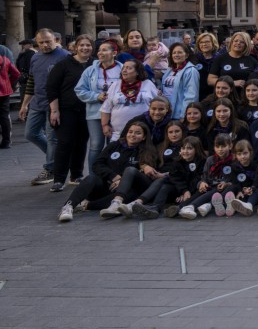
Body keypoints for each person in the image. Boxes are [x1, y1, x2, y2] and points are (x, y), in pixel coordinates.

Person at [57, 120, 156, 223]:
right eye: (130, 132)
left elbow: (141, 174)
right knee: (91, 178)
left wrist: (123, 180)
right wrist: (113, 176)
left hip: (123, 190)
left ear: (144, 137)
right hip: (105, 185)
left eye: (138, 133)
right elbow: (97, 164)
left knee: (131, 195)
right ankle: (68, 207)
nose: (133, 135)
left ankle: (86, 205)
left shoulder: (148, 152)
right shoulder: (114, 145)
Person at [20, 28, 70, 185]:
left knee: (52, 137)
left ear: (55, 40)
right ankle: (58, 159)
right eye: (41, 42)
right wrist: (24, 105)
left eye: (48, 41)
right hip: (37, 103)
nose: (45, 45)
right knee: (30, 133)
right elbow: (32, 81)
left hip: (55, 104)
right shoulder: (35, 57)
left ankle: (50, 169)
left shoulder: (65, 57)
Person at [46, 34, 94, 190]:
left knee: (81, 143)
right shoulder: (63, 64)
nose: (85, 48)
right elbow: (52, 88)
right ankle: (59, 179)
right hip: (66, 110)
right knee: (65, 143)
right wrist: (54, 111)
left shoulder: (95, 64)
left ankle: (76, 175)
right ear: (75, 47)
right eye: (82, 45)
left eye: (88, 45)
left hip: (88, 110)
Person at [0, 44, 20, 149]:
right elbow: (16, 74)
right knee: (4, 116)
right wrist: (9, 83)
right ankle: (6, 141)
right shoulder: (4, 59)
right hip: (4, 91)